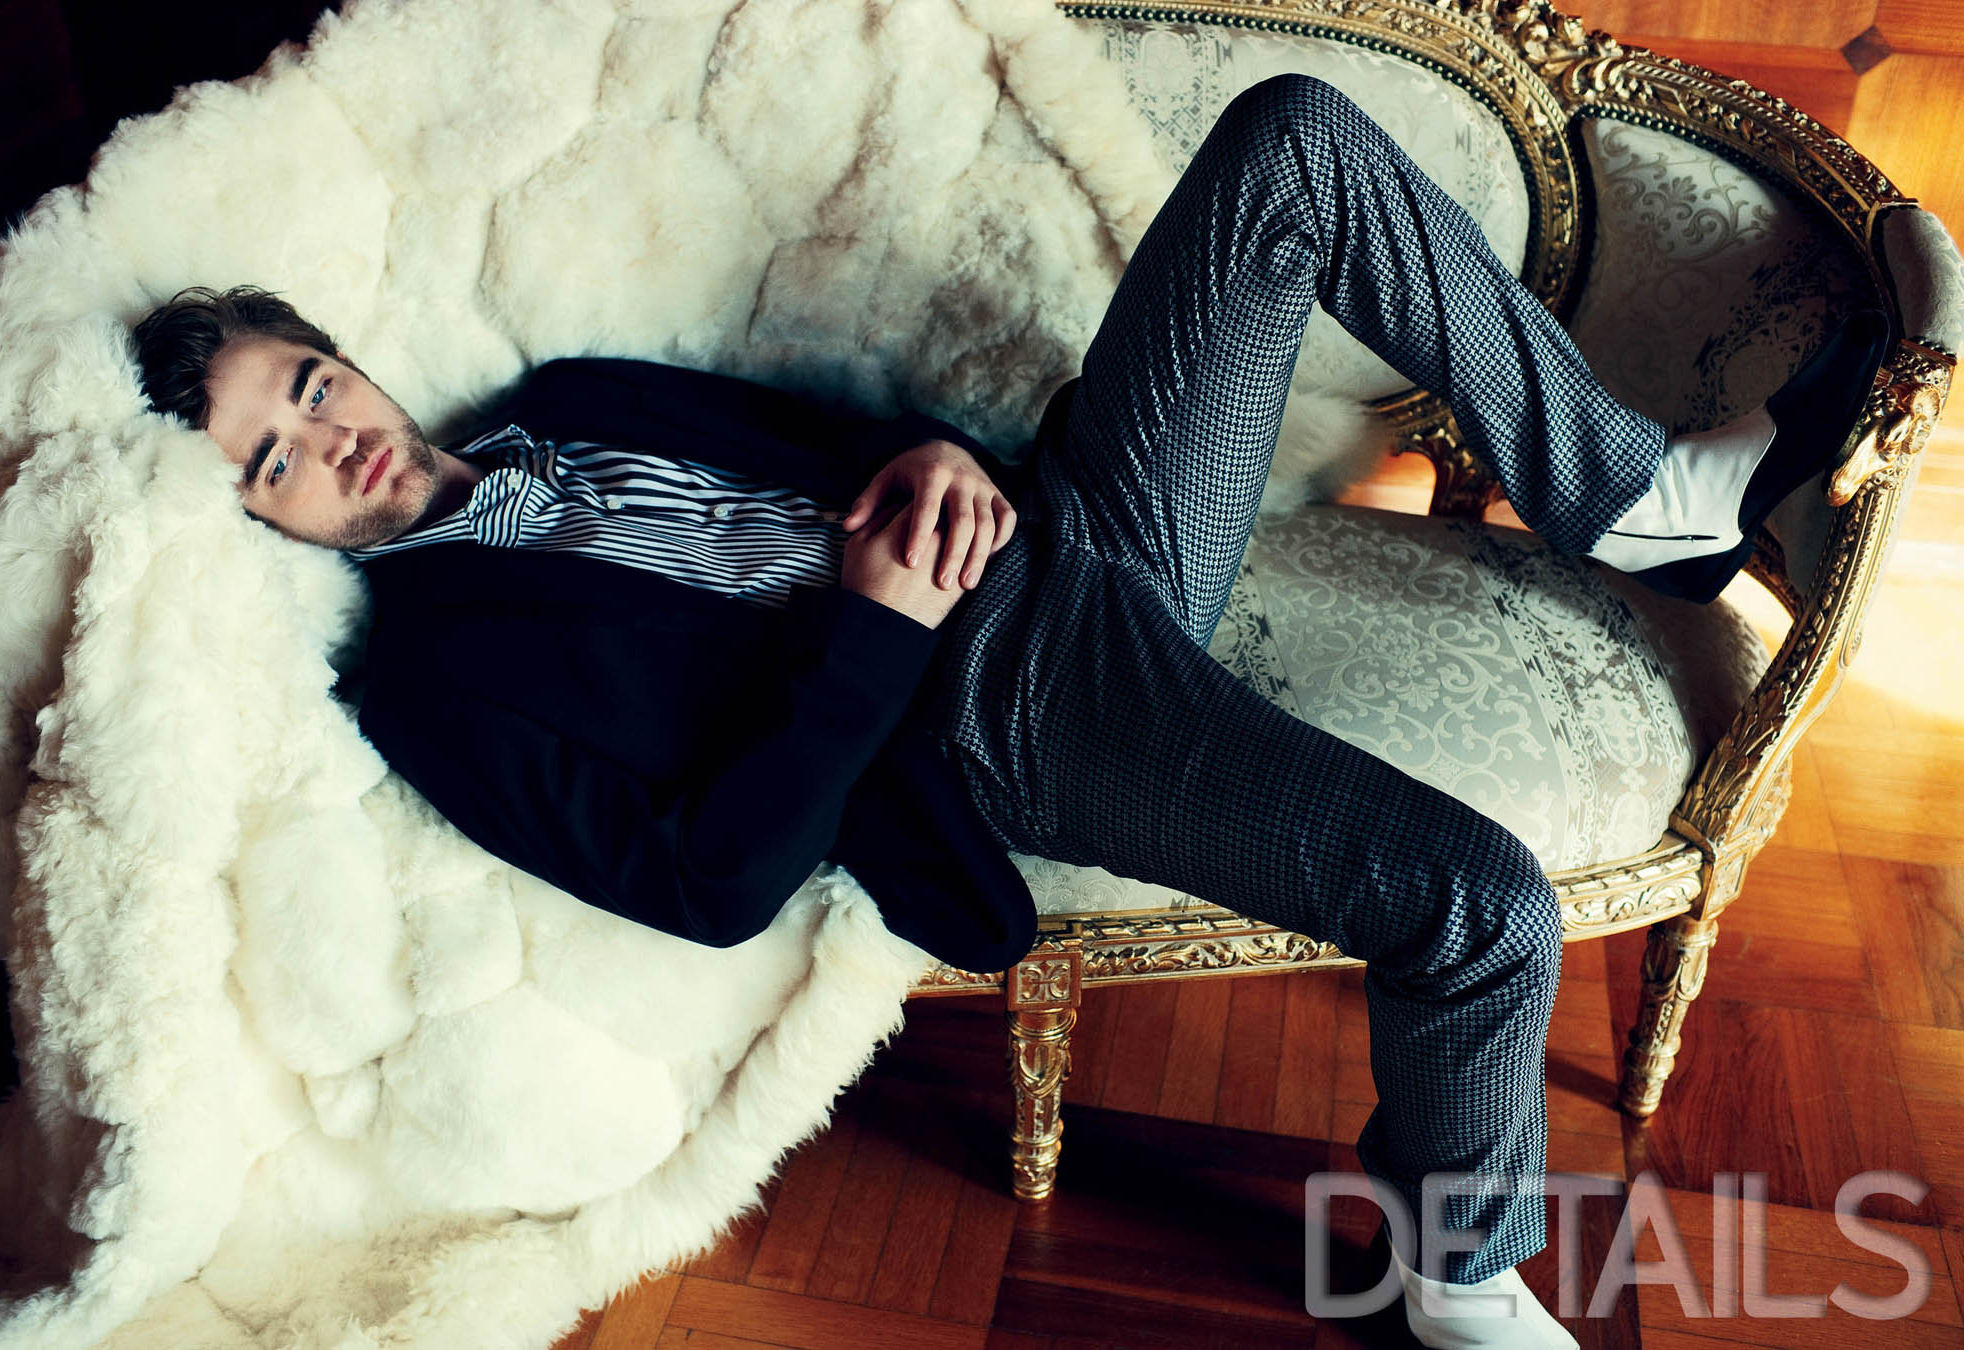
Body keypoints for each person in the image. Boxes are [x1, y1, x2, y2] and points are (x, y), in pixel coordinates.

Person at [131, 75, 1885, 1349]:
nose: (328, 439)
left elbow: (830, 437)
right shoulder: (429, 680)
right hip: (1001, 707)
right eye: (271, 461)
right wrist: (875, 632)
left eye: (309, 384)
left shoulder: (570, 395)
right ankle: (1458, 1272)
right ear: (258, 519)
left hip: (1065, 524)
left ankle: (1627, 497)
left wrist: (930, 457)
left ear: (347, 353)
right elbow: (709, 879)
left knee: (1291, 143)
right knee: (1481, 909)